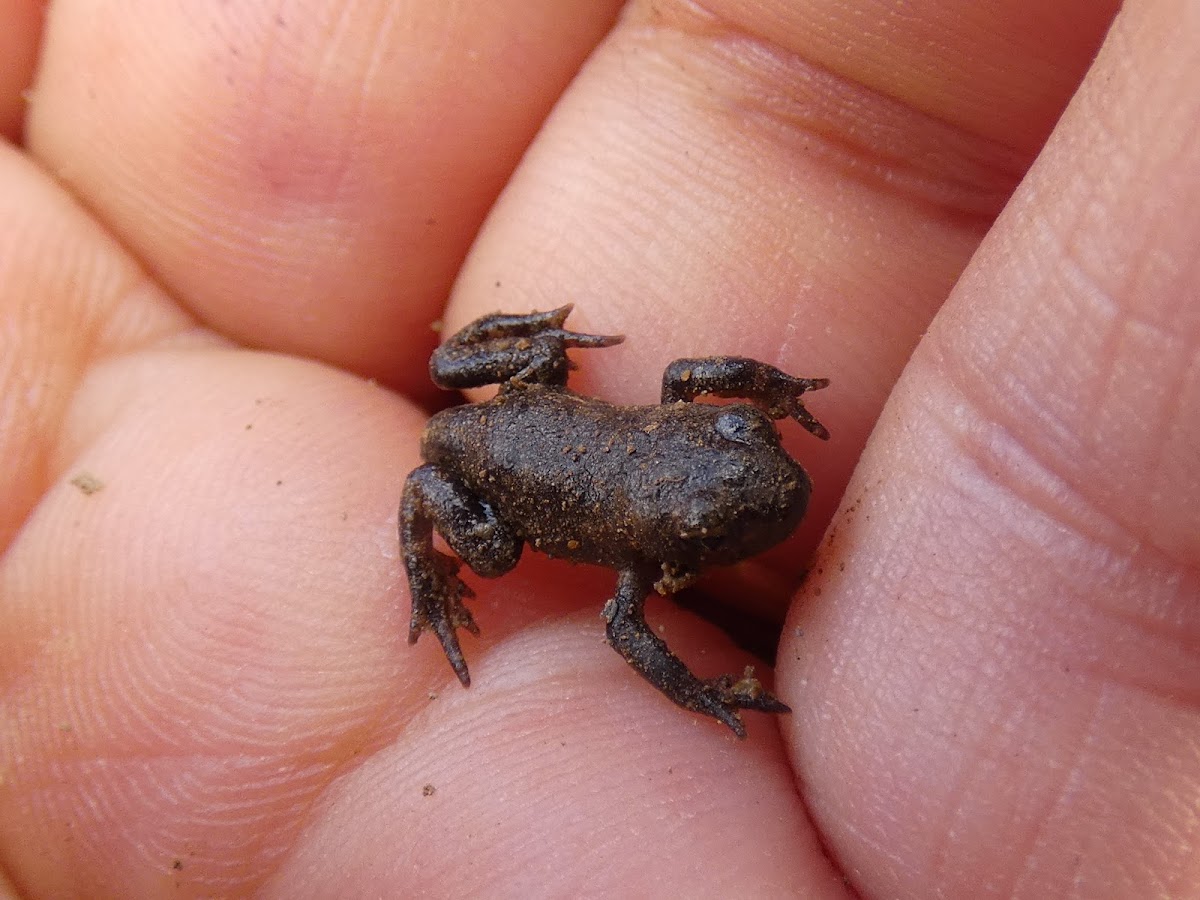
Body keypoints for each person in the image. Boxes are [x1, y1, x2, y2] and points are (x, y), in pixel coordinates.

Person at [0, 0, 1194, 896]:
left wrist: (770, 396)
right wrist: (703, 686)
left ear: (705, 424)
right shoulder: (631, 572)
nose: (755, 456)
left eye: (737, 427)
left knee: (557, 398)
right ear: (669, 547)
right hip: (494, 462)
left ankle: (535, 406)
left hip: (544, 413)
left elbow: (693, 389)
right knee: (491, 545)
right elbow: (626, 624)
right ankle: (436, 565)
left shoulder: (685, 416)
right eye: (721, 510)